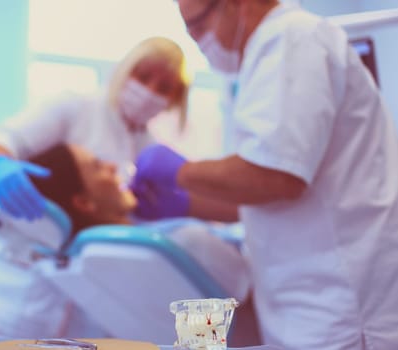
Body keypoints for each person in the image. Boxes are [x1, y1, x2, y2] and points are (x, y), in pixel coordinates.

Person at [130, 0, 398, 349]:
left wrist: (182, 172)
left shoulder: (291, 39)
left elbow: (276, 177)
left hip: (338, 307)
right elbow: (272, 198)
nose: (196, 41)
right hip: (309, 305)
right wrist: (187, 204)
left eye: (196, 26)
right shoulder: (269, 54)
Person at [0, 143, 256, 342]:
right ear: (83, 202)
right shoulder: (181, 241)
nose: (112, 166)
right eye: (97, 165)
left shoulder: (91, 257)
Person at [0, 36, 191, 222]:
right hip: (11, 249)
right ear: (123, 70)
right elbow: (0, 139)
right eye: (143, 77)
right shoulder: (75, 107)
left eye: (164, 88)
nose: (148, 91)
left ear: (176, 99)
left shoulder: (151, 151)